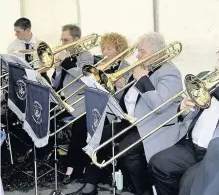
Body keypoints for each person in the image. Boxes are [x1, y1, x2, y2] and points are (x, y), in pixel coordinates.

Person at [148, 34, 219, 195]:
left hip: (217, 152)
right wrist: (185, 110)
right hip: (192, 145)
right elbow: (196, 113)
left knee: (189, 183)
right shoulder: (209, 76)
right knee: (158, 164)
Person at [81, 32, 183, 195]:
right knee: (98, 135)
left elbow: (160, 105)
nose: (137, 55)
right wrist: (116, 87)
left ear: (157, 52)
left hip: (155, 124)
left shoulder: (170, 73)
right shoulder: (143, 67)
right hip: (132, 120)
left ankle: (144, 191)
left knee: (128, 151)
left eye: (142, 51)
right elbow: (129, 99)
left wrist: (142, 79)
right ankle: (90, 185)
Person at [62, 32, 130, 184]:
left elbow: (125, 98)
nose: (104, 52)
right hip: (97, 106)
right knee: (80, 124)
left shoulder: (127, 67)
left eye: (108, 49)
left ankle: (81, 167)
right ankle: (76, 166)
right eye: (103, 49)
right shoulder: (99, 65)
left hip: (114, 111)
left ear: (119, 50)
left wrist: (121, 87)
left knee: (85, 124)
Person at [7, 17, 51, 84]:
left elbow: (48, 65)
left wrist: (36, 72)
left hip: (40, 76)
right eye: (15, 31)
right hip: (21, 78)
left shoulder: (41, 44)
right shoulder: (12, 46)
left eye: (18, 32)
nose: (15, 34)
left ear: (27, 30)